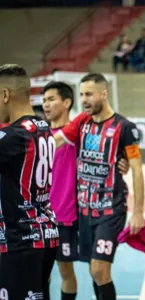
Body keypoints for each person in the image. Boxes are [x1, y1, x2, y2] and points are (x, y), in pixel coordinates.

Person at [53, 73, 145, 300]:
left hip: (110, 210)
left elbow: (137, 169)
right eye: (81, 94)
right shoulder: (81, 122)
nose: (83, 100)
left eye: (89, 94)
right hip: (84, 211)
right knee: (95, 272)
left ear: (104, 94)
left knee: (98, 269)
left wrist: (139, 212)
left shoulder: (124, 128)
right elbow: (54, 142)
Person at [0, 64, 59, 300]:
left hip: (20, 240)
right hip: (44, 234)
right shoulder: (43, 128)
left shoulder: (13, 136)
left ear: (5, 95)